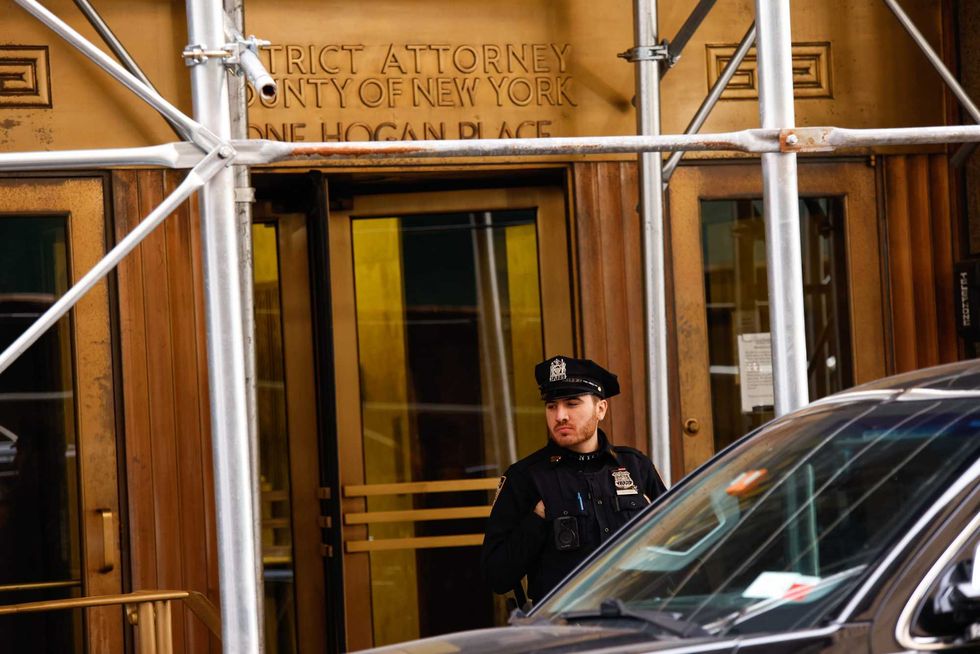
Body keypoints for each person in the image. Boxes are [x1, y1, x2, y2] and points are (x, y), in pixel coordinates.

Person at [481, 355, 666, 605]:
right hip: (564, 626)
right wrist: (537, 521)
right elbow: (497, 576)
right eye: (551, 406)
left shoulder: (635, 466)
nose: (560, 416)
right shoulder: (525, 477)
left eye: (572, 403)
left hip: (638, 616)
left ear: (600, 408)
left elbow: (677, 544)